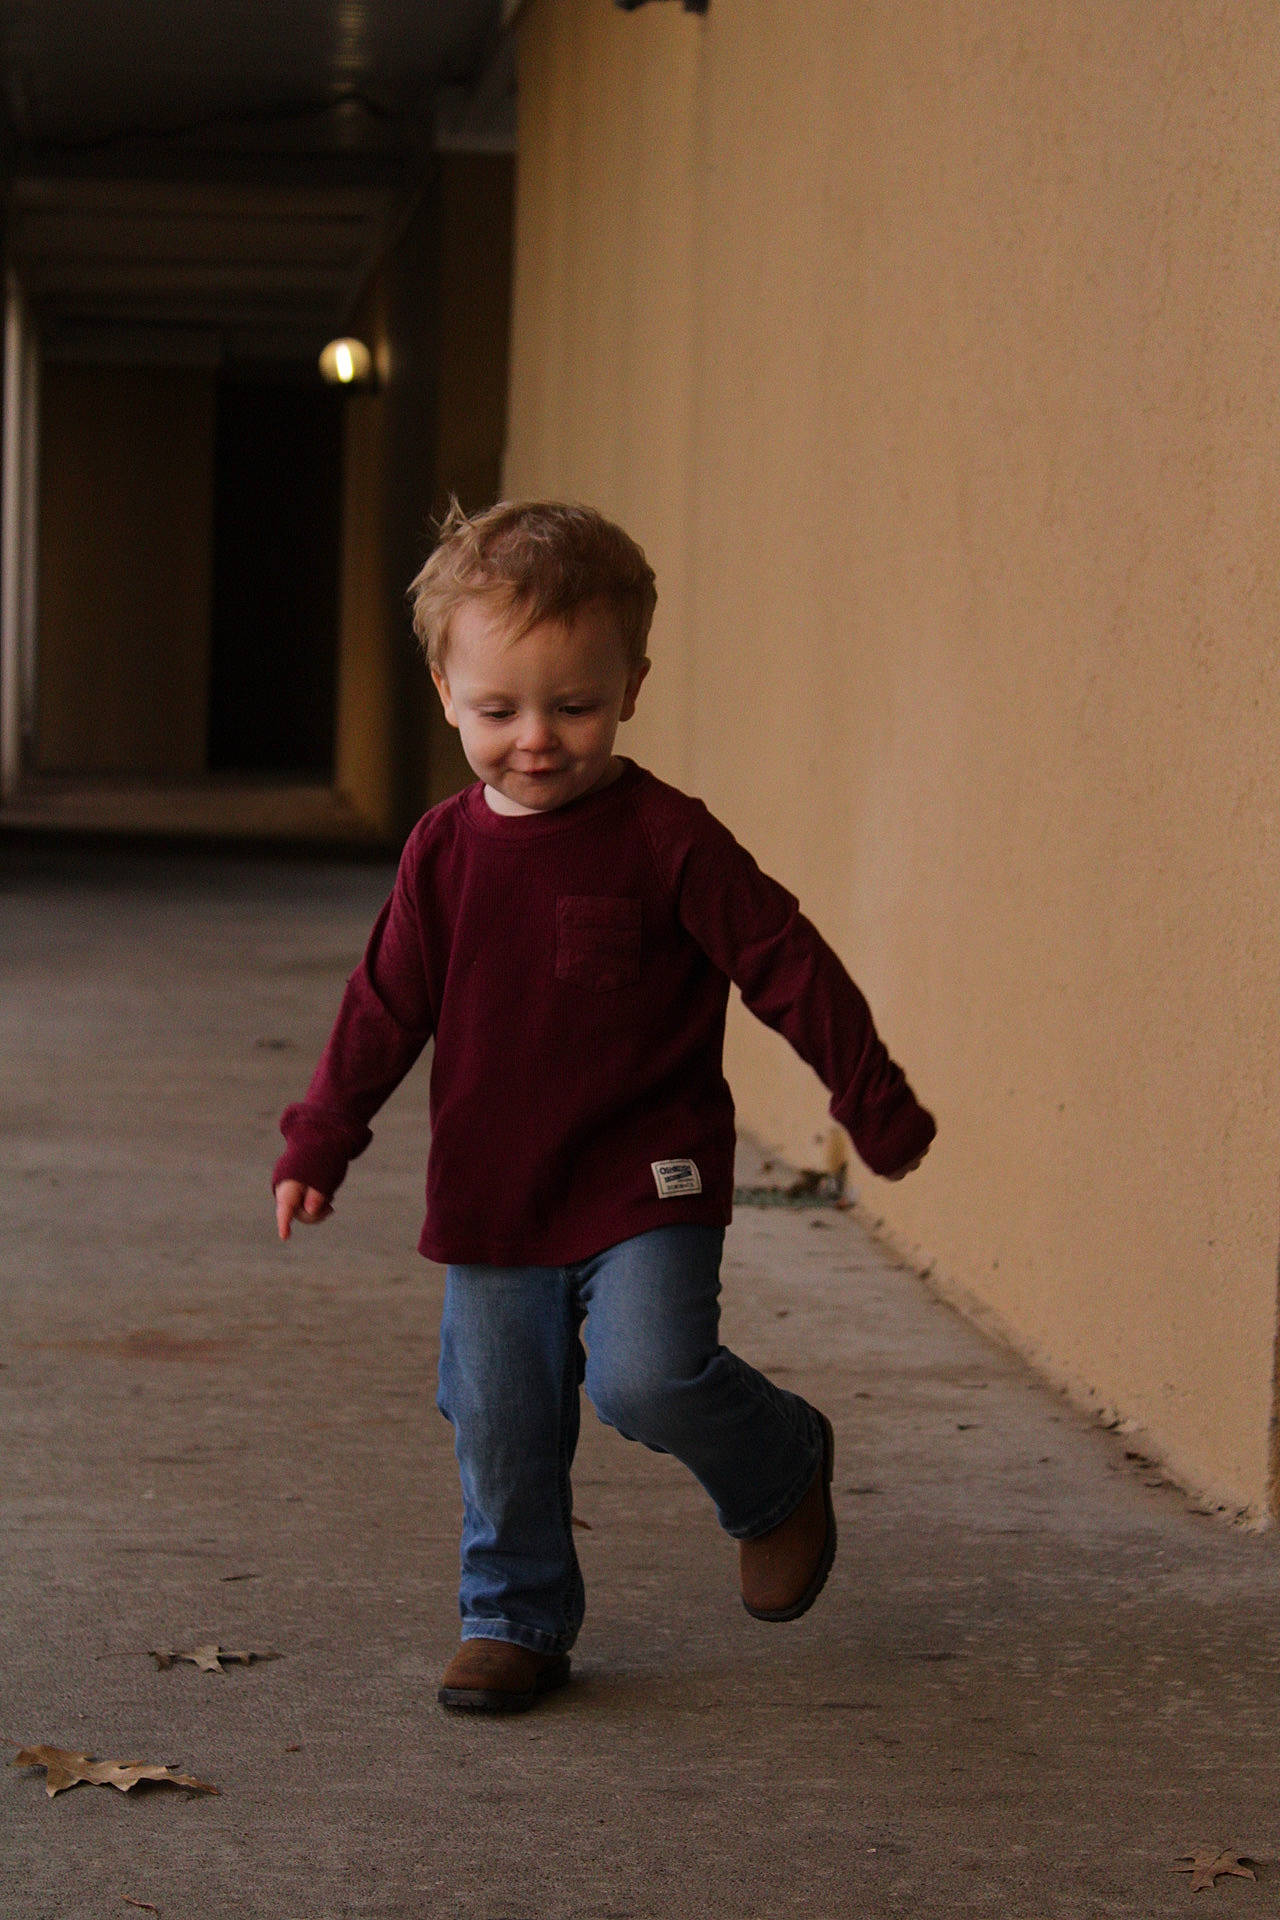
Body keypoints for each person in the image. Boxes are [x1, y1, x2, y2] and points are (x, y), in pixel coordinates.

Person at [273, 499, 935, 1715]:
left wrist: (868, 1093)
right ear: (443, 690)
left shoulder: (667, 839)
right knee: (499, 1411)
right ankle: (513, 1616)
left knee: (645, 1376)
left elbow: (784, 960)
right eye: (498, 710)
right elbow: (384, 1003)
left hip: (648, 1177)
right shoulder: (442, 853)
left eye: (571, 706)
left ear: (629, 685)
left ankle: (778, 1466)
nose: (535, 739)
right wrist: (324, 1132)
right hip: (493, 1192)